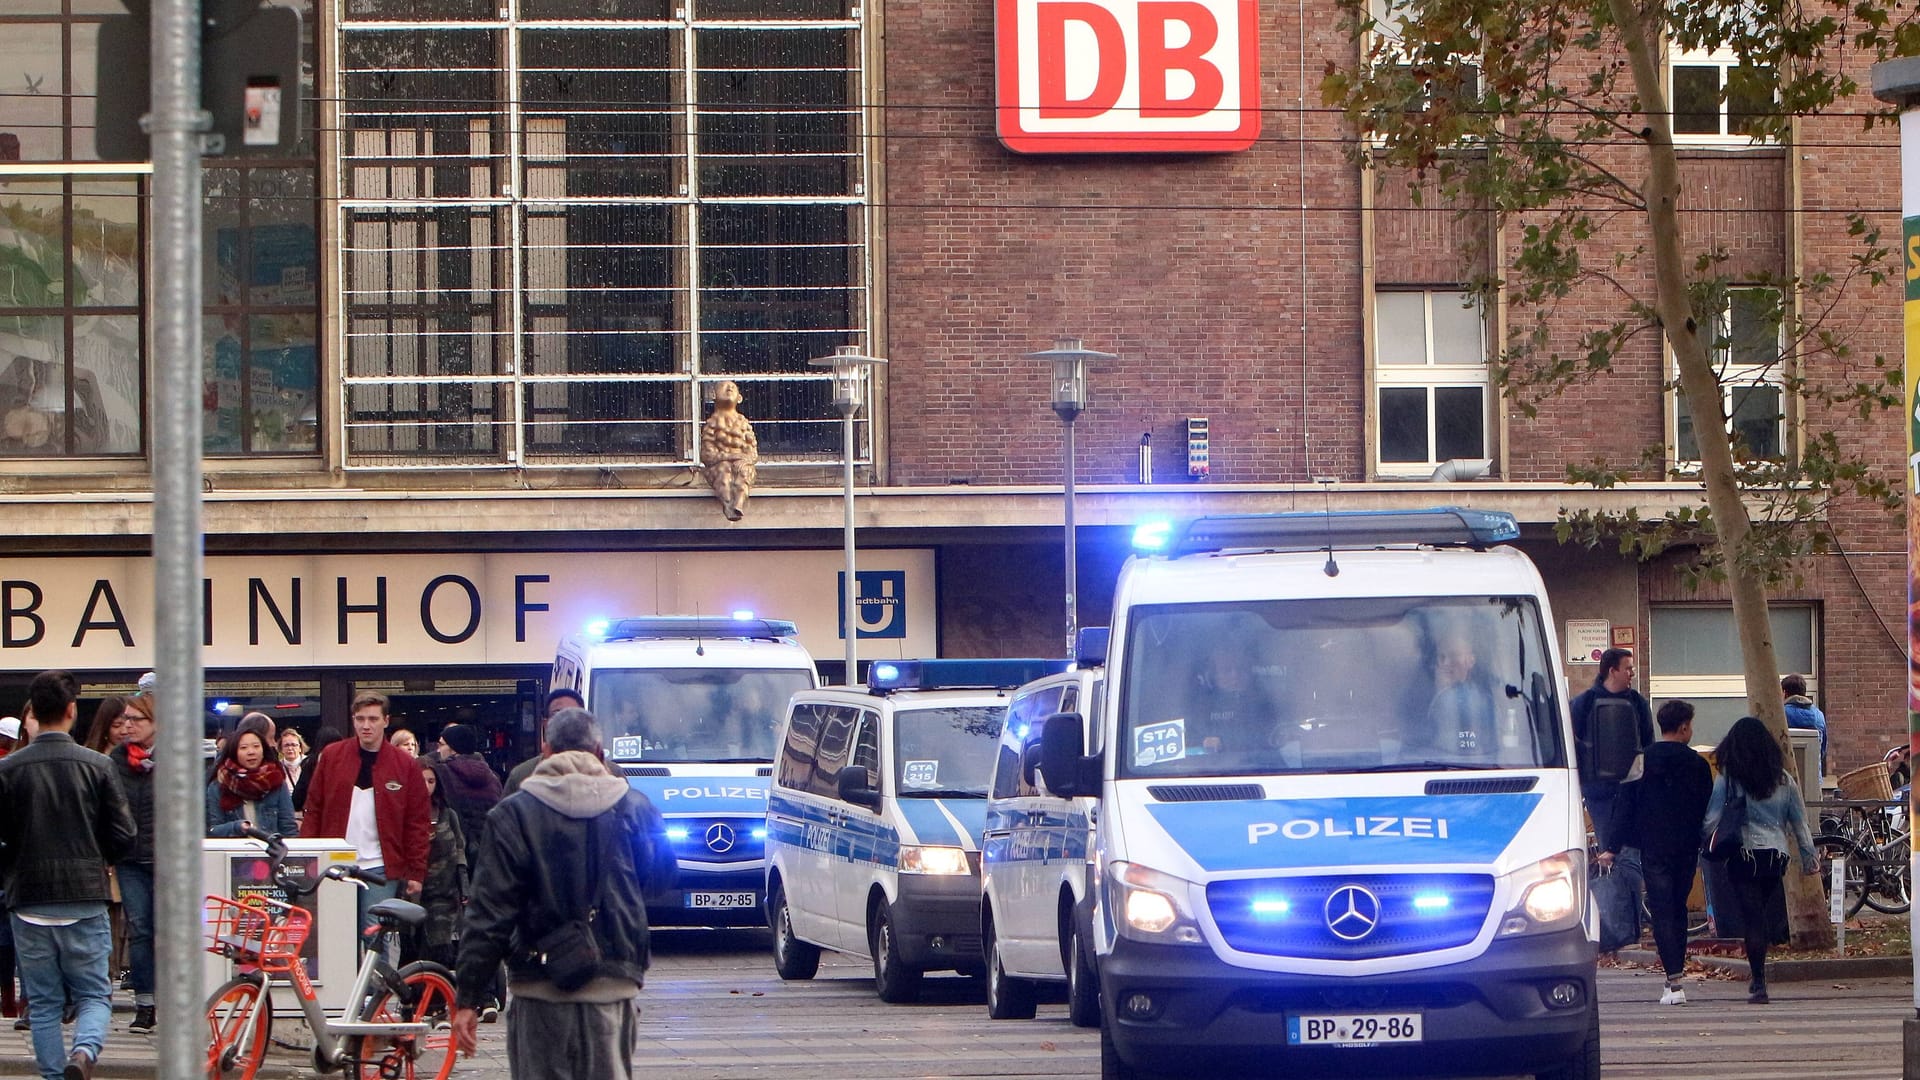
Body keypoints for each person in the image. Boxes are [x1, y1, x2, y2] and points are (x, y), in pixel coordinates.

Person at [453, 709, 674, 1078]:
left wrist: (469, 998)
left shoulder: (512, 815)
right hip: (613, 982)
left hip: (540, 985)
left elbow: (489, 913)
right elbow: (662, 878)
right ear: (600, 752)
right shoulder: (636, 807)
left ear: (546, 751)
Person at [0, 670, 136, 1080]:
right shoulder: (96, 765)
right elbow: (124, 833)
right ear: (72, 711)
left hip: (28, 898)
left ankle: (55, 1077)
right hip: (85, 892)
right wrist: (104, 857)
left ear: (34, 715)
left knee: (41, 1001)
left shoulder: (9, 769)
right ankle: (84, 1051)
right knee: (95, 992)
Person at [1599, 699, 1713, 1004]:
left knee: (1662, 909)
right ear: (1685, 727)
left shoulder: (1640, 761)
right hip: (1686, 846)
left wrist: (1612, 846)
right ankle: (1676, 972)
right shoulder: (1698, 765)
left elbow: (1625, 804)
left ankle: (1673, 979)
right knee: (1678, 907)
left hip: (1653, 846)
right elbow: (1705, 805)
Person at [1702, 715, 1818, 1005]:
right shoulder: (1784, 779)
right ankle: (1760, 975)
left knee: (1750, 917)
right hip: (1775, 856)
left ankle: (1759, 981)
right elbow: (1800, 823)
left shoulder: (1729, 777)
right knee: (1762, 914)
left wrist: (1704, 841)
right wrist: (1809, 858)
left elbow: (1712, 819)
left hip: (1743, 855)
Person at [300, 692, 432, 945]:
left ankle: (377, 986)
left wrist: (416, 871)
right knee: (336, 937)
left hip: (381, 864)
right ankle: (347, 986)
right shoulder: (331, 756)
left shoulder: (404, 764)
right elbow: (314, 808)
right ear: (353, 720)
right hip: (335, 861)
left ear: (386, 721)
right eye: (360, 719)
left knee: (374, 936)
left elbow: (417, 822)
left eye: (372, 719)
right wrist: (308, 856)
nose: (366, 725)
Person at [104, 692, 158, 1035]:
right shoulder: (116, 760)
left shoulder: (177, 757)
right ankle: (145, 1003)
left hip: (169, 859)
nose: (127, 726)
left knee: (171, 932)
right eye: (124, 720)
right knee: (139, 929)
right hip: (130, 858)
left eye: (135, 720)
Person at [1571, 648, 1654, 850]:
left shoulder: (1638, 703)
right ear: (1612, 671)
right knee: (1608, 849)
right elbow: (1574, 744)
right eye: (1627, 668)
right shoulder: (1584, 703)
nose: (1632, 673)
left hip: (1633, 792)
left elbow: (1648, 745)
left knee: (1634, 852)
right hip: (1600, 795)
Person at [403, 758, 468, 972]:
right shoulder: (404, 813)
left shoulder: (448, 815)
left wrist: (464, 888)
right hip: (412, 892)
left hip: (444, 892)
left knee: (440, 948)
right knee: (411, 947)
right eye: (422, 781)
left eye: (431, 781)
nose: (426, 786)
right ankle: (413, 1000)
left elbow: (459, 852)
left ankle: (438, 998)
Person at [206, 714, 298, 839]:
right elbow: (213, 830)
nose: (251, 752)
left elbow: (289, 829)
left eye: (256, 746)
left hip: (271, 854)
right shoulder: (218, 785)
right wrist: (237, 827)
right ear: (234, 751)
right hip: (234, 854)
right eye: (243, 748)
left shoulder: (276, 781)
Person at [1415, 632, 1495, 759]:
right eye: (1441, 657)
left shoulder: (1479, 701)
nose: (1445, 663)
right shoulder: (1418, 700)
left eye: (1453, 655)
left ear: (1471, 661)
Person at [506, 689, 584, 795]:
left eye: (572, 714)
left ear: (584, 721)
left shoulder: (609, 774)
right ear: (545, 723)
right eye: (558, 714)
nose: (565, 721)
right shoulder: (521, 776)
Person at [1780, 674, 1828, 777]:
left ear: (1784, 693)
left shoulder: (1781, 714)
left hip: (1787, 777)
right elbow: (1822, 749)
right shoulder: (1819, 715)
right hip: (1813, 777)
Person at [279, 728, 310, 795]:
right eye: (286, 745)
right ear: (281, 749)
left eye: (293, 745)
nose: (290, 748)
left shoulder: (309, 763)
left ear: (300, 748)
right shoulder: (277, 767)